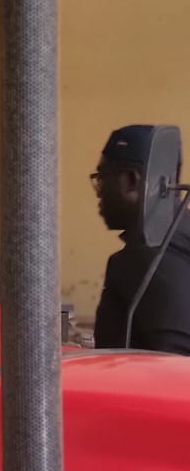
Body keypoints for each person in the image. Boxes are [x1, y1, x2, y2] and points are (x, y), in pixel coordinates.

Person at [92, 124, 190, 353]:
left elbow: (174, 360)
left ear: (131, 180)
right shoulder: (182, 237)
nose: (98, 191)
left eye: (102, 178)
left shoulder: (144, 256)